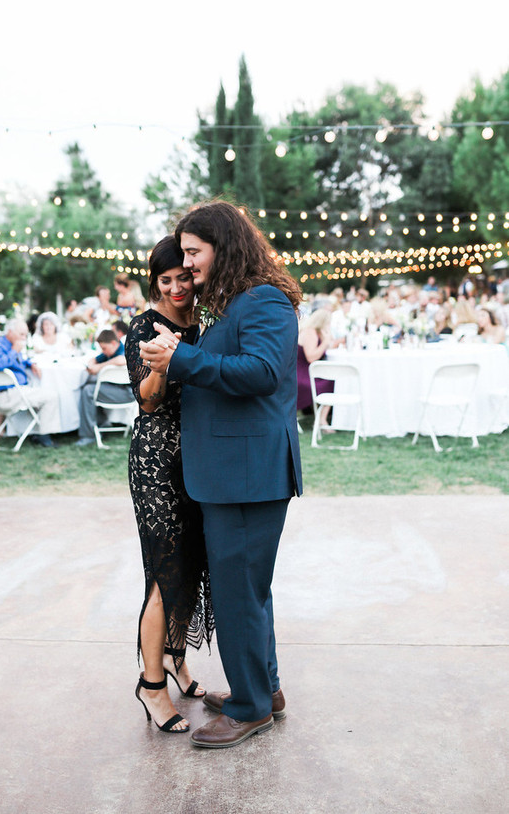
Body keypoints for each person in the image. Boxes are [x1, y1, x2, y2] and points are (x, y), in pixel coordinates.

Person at [140, 201, 303, 749]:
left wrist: (178, 361)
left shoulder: (265, 302)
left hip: (246, 476)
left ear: (223, 246)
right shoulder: (236, 303)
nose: (187, 265)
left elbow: (259, 372)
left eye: (194, 252)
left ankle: (251, 706)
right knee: (249, 592)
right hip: (232, 474)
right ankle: (266, 690)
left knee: (238, 595)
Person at [126, 236, 213, 734]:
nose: (178, 287)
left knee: (193, 564)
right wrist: (162, 362)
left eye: (184, 276)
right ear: (155, 282)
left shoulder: (204, 324)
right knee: (164, 572)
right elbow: (148, 402)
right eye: (167, 280)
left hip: (200, 457)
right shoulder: (144, 326)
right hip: (157, 461)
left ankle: (178, 662)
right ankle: (151, 685)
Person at [0, 318, 60, 447]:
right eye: (21, 334)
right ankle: (44, 436)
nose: (24, 337)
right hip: (7, 395)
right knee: (51, 396)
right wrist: (14, 350)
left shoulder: (13, 345)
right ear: (10, 332)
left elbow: (19, 361)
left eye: (26, 335)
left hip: (16, 391)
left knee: (44, 391)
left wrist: (30, 364)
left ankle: (36, 432)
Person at [75, 328, 134, 447]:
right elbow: (94, 359)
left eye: (104, 348)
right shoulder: (110, 352)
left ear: (113, 343)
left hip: (127, 393)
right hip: (116, 390)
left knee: (88, 391)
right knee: (89, 386)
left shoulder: (123, 350)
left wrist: (100, 367)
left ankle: (88, 435)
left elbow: (122, 360)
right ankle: (102, 422)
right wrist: (92, 365)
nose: (103, 351)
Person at [296, 308, 334, 429]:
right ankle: (322, 420)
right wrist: (325, 342)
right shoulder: (310, 332)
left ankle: (322, 417)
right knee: (331, 382)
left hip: (308, 371)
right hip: (301, 373)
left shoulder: (317, 332)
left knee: (332, 378)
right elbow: (311, 357)